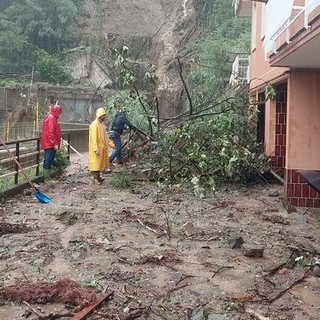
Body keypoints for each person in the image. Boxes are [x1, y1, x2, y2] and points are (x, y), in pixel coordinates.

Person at [88, 107, 114, 183]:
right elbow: (94, 138)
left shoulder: (101, 124)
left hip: (101, 148)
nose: (104, 117)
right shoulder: (94, 125)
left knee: (98, 165)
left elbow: (106, 136)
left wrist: (111, 144)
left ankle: (97, 178)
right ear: (99, 115)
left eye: (104, 115)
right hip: (97, 148)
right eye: (103, 115)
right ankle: (96, 179)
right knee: (96, 165)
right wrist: (96, 149)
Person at [40, 104, 63, 181]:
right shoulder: (52, 118)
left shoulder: (51, 117)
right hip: (50, 143)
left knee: (48, 159)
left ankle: (47, 176)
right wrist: (55, 143)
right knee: (48, 159)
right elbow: (51, 132)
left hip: (49, 142)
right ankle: (47, 178)